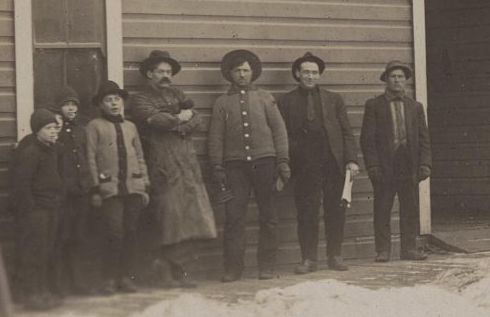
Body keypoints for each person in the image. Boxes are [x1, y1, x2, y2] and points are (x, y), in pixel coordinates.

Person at [128, 50, 215, 286]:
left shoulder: (178, 94)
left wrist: (178, 124)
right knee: (167, 217)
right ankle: (162, 272)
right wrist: (179, 120)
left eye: (168, 72)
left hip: (186, 165)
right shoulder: (140, 98)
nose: (165, 76)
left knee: (189, 218)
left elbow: (197, 120)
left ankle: (180, 271)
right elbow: (156, 120)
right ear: (149, 73)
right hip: (161, 164)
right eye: (160, 71)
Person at [205, 49, 289, 281]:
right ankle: (233, 269)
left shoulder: (265, 97)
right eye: (237, 71)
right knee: (234, 218)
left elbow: (279, 131)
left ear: (253, 73)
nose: (241, 75)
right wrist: (217, 166)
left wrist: (282, 161)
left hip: (265, 163)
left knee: (269, 215)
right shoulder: (222, 102)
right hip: (235, 168)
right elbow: (216, 137)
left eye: (245, 70)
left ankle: (267, 266)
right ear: (230, 74)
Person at [279, 52, 356, 272]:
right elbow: (282, 135)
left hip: (332, 162)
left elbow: (346, 132)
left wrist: (351, 160)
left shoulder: (334, 100)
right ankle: (309, 259)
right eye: (306, 72)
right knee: (307, 212)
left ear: (320, 75)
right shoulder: (285, 101)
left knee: (336, 211)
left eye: (314, 72)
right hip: (304, 165)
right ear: (297, 74)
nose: (310, 76)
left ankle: (335, 256)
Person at [80, 79, 154, 293]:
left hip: (133, 188)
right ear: (100, 105)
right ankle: (109, 279)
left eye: (117, 99)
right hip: (109, 190)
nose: (113, 103)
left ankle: (125, 277)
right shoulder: (94, 127)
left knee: (131, 232)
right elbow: (91, 157)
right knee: (115, 232)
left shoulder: (130, 127)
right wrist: (95, 188)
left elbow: (139, 156)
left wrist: (144, 185)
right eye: (108, 100)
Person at [360, 61, 432, 262]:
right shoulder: (374, 105)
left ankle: (408, 249)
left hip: (409, 164)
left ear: (406, 80)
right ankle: (383, 250)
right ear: (386, 80)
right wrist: (373, 165)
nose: (397, 80)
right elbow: (367, 139)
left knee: (410, 208)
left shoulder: (415, 107)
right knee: (382, 208)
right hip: (385, 166)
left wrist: (425, 163)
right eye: (393, 76)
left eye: (401, 77)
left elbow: (424, 138)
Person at [6, 108, 65, 310]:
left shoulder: (51, 150)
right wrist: (31, 209)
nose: (53, 131)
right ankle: (32, 295)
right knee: (34, 254)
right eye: (48, 128)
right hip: (37, 211)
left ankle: (43, 292)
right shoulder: (32, 152)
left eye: (55, 128)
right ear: (37, 131)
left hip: (51, 208)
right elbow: (21, 184)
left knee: (46, 253)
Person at [51, 95, 91, 296]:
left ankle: (78, 281)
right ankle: (59, 284)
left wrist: (88, 184)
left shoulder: (82, 129)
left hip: (81, 190)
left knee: (78, 236)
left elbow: (86, 156)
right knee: (61, 237)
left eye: (74, 104)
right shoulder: (55, 130)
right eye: (67, 104)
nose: (71, 108)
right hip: (63, 193)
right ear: (59, 108)